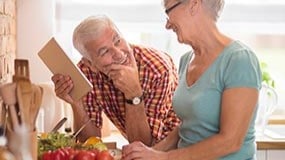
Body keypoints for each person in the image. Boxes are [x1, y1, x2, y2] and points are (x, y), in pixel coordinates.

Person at [122, 0, 262, 159]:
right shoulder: (186, 60)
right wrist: (151, 153)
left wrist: (165, 158)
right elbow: (187, 127)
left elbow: (230, 141)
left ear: (194, 5)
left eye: (168, 11)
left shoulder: (239, 59)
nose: (167, 25)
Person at [51, 15, 180, 146]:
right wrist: (76, 103)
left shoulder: (157, 69)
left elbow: (145, 146)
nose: (118, 53)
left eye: (117, 40)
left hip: (177, 147)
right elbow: (89, 142)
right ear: (91, 64)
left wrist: (134, 94)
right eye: (104, 51)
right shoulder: (86, 72)